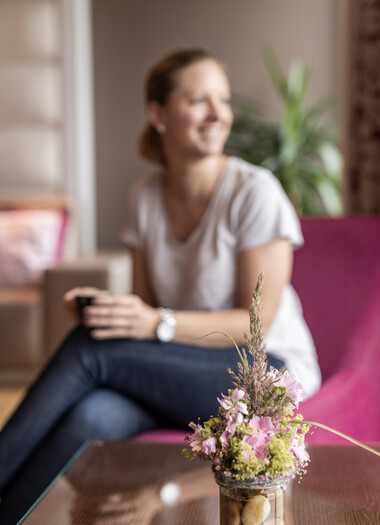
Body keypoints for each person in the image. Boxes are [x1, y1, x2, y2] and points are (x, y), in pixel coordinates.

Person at [0, 48, 321, 522]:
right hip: (187, 371)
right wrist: (113, 313)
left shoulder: (255, 192)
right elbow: (149, 312)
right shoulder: (145, 198)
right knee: (91, 417)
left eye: (223, 100)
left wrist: (151, 322)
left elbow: (254, 327)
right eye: (199, 101)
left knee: (92, 350)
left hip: (262, 372)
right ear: (159, 114)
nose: (219, 114)